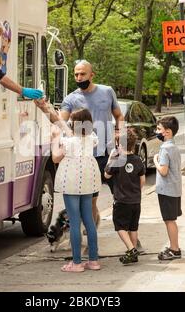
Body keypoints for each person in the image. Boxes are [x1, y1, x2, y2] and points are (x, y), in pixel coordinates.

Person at [35, 60, 124, 230]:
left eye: (82, 74)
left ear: (92, 75)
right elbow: (59, 121)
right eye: (76, 74)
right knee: (90, 202)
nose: (79, 77)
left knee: (122, 197)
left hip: (107, 154)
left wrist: (120, 133)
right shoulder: (72, 98)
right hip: (85, 157)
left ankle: (128, 232)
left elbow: (119, 115)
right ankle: (91, 239)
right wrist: (44, 107)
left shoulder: (107, 91)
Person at [52, 109, 102, 272]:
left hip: (72, 180)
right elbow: (74, 133)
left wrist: (55, 138)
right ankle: (93, 261)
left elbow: (55, 157)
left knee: (74, 222)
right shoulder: (91, 138)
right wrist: (60, 120)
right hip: (88, 179)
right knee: (89, 220)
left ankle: (77, 263)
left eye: (72, 121)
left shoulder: (69, 142)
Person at [104, 128, 146, 264]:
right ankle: (133, 252)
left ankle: (131, 249)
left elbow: (106, 175)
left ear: (120, 145)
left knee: (120, 226)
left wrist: (111, 158)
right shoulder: (138, 160)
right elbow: (142, 180)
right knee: (133, 227)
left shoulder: (117, 160)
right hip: (135, 200)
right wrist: (136, 192)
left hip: (121, 200)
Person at [153, 116, 182, 260]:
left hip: (166, 190)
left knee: (169, 220)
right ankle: (174, 246)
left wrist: (155, 161)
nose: (156, 131)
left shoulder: (165, 149)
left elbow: (163, 171)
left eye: (159, 129)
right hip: (174, 189)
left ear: (168, 132)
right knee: (171, 219)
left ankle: (174, 249)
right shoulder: (174, 147)